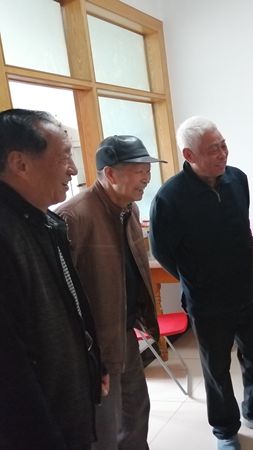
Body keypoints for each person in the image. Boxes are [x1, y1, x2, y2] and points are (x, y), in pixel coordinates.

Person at [149, 116, 253, 450]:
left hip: (248, 290)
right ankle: (225, 429)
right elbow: (162, 252)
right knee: (216, 367)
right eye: (213, 149)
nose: (223, 153)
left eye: (224, 145)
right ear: (189, 155)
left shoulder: (237, 179)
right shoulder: (169, 198)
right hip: (207, 300)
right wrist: (197, 278)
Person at [0, 108, 104, 449]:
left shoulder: (46, 221)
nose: (73, 169)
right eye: (64, 157)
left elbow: (73, 306)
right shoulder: (6, 235)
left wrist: (93, 364)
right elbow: (10, 365)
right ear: (20, 163)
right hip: (39, 426)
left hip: (68, 401)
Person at [56, 135, 164, 450]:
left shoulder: (129, 209)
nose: (146, 177)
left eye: (148, 170)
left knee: (136, 411)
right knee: (105, 425)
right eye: (138, 170)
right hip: (94, 345)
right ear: (110, 174)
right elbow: (63, 296)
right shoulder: (73, 216)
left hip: (125, 333)